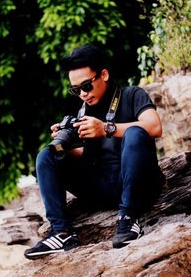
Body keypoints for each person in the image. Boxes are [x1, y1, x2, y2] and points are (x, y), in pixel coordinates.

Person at [24, 44, 164, 260]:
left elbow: (154, 126)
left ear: (104, 74)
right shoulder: (83, 112)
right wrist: (64, 148)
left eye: (87, 85)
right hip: (102, 187)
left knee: (135, 133)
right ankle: (61, 233)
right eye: (76, 89)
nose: (82, 94)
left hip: (139, 186)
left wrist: (106, 128)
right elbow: (89, 156)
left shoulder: (131, 94)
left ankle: (128, 218)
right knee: (48, 155)